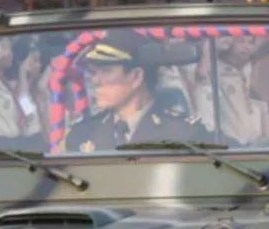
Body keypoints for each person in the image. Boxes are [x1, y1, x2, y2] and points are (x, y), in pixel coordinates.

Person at [65, 33, 210, 153]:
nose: (95, 80)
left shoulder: (184, 134)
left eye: (105, 71)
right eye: (93, 72)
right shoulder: (81, 134)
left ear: (136, 77)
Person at [189, 36, 269, 145]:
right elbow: (201, 76)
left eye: (250, 43)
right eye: (241, 41)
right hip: (230, 149)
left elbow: (263, 111)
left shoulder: (252, 70)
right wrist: (208, 49)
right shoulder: (215, 69)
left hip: (258, 148)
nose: (246, 47)